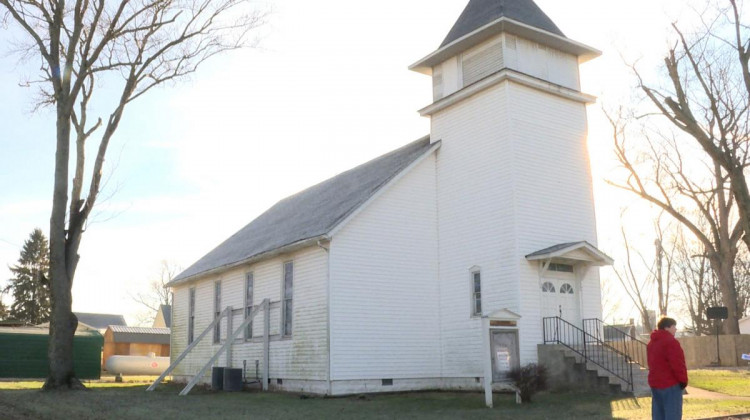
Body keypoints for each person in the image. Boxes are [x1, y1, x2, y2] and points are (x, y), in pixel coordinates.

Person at [647, 317, 688, 420]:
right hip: (670, 384)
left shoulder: (651, 343)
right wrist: (683, 380)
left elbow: (651, 363)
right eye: (674, 326)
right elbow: (677, 363)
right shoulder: (671, 342)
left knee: (658, 415)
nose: (675, 329)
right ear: (667, 328)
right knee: (672, 414)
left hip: (655, 384)